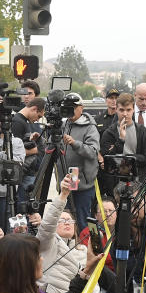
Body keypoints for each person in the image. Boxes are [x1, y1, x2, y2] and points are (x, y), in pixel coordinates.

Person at [36, 175, 111, 293]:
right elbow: (47, 225)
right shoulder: (48, 243)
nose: (67, 223)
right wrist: (63, 195)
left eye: (70, 220)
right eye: (62, 220)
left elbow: (91, 283)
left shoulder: (82, 248)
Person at [98, 92, 146, 192]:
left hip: (138, 182)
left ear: (133, 110)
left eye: (128, 110)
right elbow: (107, 162)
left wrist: (128, 159)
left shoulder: (143, 131)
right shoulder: (109, 133)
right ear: (116, 110)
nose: (125, 113)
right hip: (115, 184)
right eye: (121, 110)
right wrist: (121, 139)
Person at [61, 93, 101, 231]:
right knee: (64, 222)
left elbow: (93, 152)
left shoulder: (90, 127)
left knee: (82, 222)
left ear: (81, 108)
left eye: (73, 107)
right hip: (65, 182)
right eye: (67, 107)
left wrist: (75, 143)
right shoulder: (64, 125)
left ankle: (85, 249)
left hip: (82, 183)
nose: (70, 110)